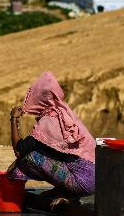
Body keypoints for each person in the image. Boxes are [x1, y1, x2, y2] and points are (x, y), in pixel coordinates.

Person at [6, 72, 96, 208]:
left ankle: (70, 193)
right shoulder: (65, 113)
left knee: (27, 159)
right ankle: (64, 191)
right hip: (95, 181)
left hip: (81, 183)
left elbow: (20, 151)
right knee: (44, 154)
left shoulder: (48, 122)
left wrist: (14, 119)